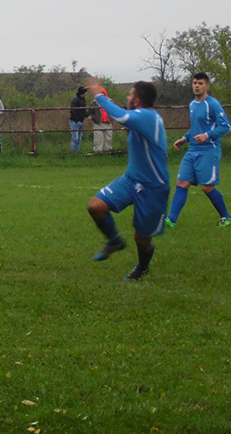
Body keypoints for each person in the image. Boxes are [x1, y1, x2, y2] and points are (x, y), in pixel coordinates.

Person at [85, 79, 169, 282]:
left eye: (130, 95)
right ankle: (114, 241)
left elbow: (120, 116)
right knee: (95, 206)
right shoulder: (142, 116)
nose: (127, 98)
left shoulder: (147, 116)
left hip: (153, 187)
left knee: (142, 239)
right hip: (131, 180)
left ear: (137, 100)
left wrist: (99, 95)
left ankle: (142, 268)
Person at [165, 73, 231, 229]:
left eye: (200, 83)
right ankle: (171, 220)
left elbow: (225, 126)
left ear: (207, 86)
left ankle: (226, 217)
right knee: (182, 182)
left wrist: (207, 135)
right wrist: (185, 138)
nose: (196, 86)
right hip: (192, 150)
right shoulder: (192, 105)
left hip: (209, 150)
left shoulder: (213, 104)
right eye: (195, 83)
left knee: (207, 187)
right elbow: (196, 128)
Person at [91, 87, 114, 152]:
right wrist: (94, 118)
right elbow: (90, 112)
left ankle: (108, 151)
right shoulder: (94, 102)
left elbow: (114, 111)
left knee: (108, 138)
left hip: (108, 123)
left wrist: (111, 119)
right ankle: (98, 151)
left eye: (102, 93)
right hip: (98, 123)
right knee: (98, 139)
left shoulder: (110, 101)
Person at [69, 86, 89, 153]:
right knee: (75, 138)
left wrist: (87, 115)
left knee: (79, 138)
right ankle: (73, 151)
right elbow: (73, 110)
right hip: (75, 121)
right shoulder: (75, 100)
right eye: (85, 92)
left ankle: (77, 151)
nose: (86, 93)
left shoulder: (83, 100)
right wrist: (77, 119)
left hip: (81, 120)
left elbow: (83, 110)